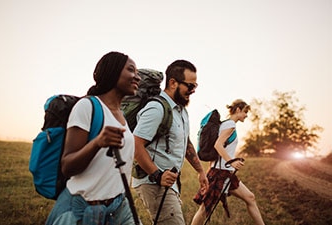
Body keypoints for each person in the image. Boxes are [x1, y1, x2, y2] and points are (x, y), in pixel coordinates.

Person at [45, 51, 143, 225]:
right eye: (131, 70)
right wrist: (98, 143)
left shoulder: (121, 115)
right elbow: (67, 166)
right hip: (83, 209)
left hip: (119, 208)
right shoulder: (87, 106)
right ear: (112, 71)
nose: (138, 77)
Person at [132, 60, 209, 225]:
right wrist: (157, 175)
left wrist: (200, 171)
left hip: (168, 183)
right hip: (153, 182)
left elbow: (185, 142)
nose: (193, 91)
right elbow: (135, 145)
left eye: (195, 86)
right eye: (190, 86)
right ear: (173, 83)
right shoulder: (156, 108)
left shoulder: (181, 111)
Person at [191, 99, 265, 225]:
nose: (246, 115)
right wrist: (231, 162)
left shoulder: (224, 124)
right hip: (221, 172)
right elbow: (218, 145)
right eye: (245, 111)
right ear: (237, 110)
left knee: (250, 198)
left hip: (225, 173)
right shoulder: (230, 125)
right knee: (204, 209)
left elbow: (219, 150)